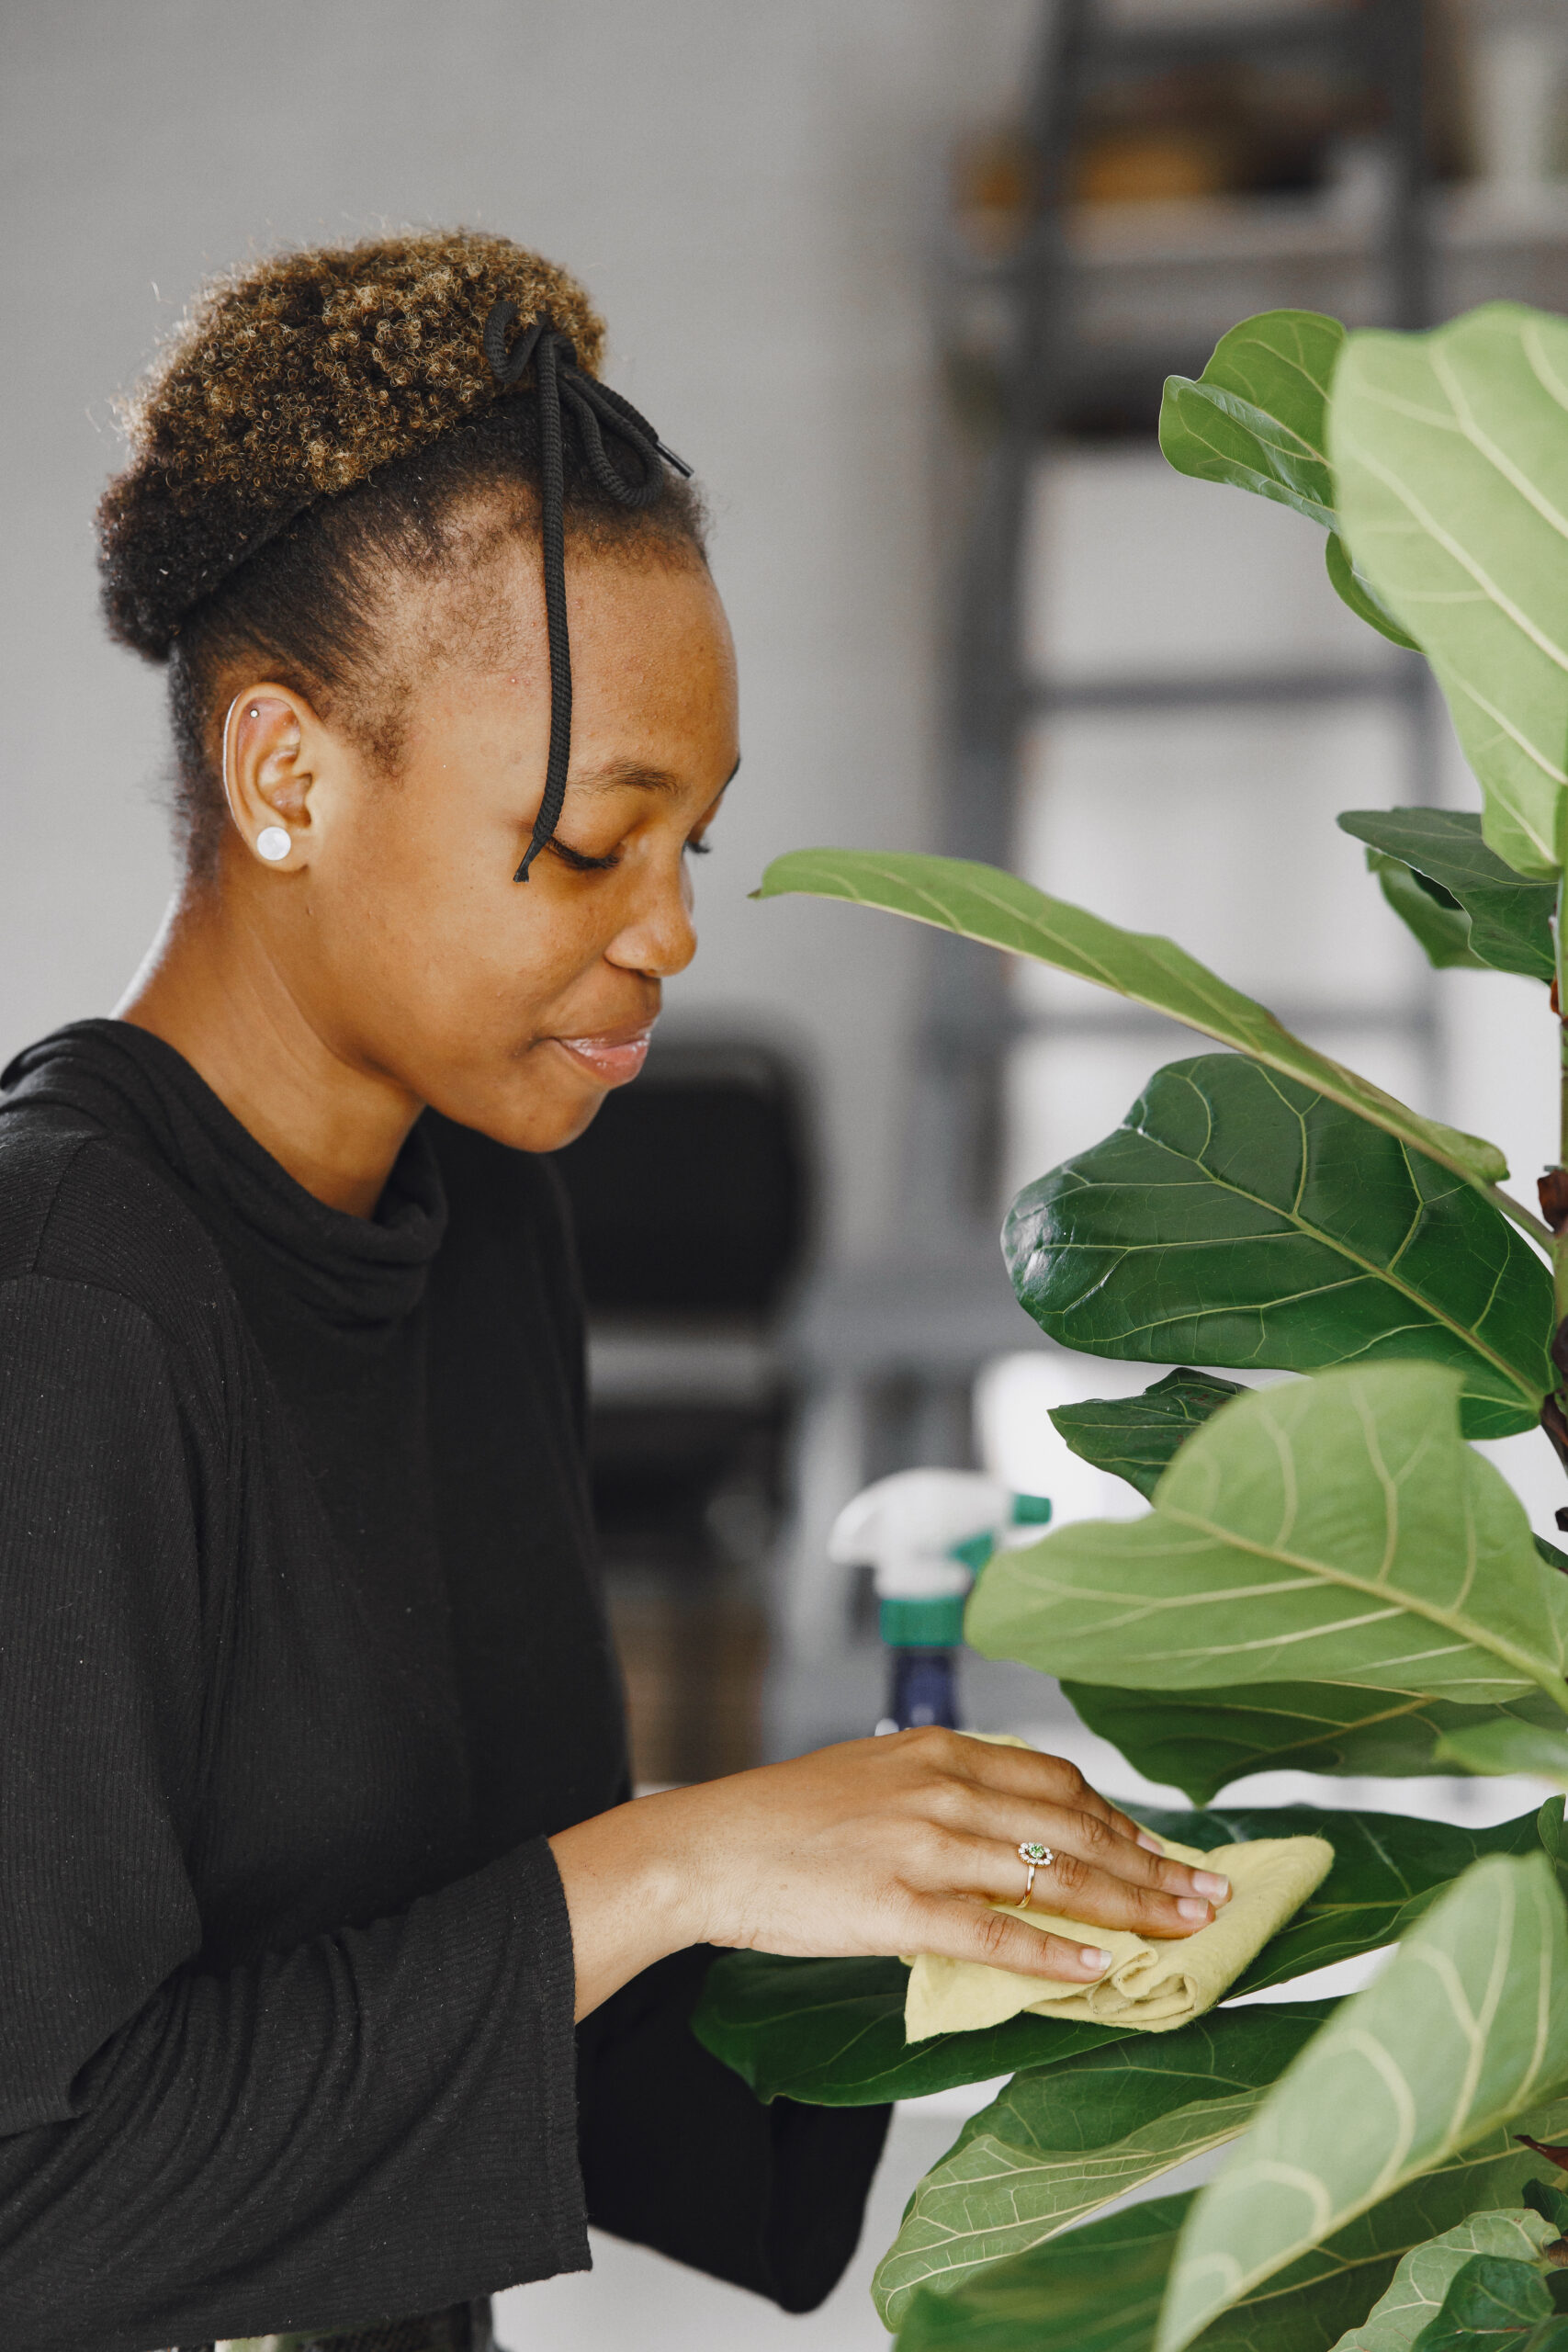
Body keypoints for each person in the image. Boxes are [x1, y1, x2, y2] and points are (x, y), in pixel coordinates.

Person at [0, 231, 1231, 2352]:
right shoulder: (60, 1311)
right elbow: (40, 2196)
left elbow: (512, 1940)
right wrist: (679, 1857)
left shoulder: (473, 1209)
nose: (668, 934)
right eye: (590, 843)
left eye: (698, 845)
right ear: (286, 775)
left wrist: (914, 1883)